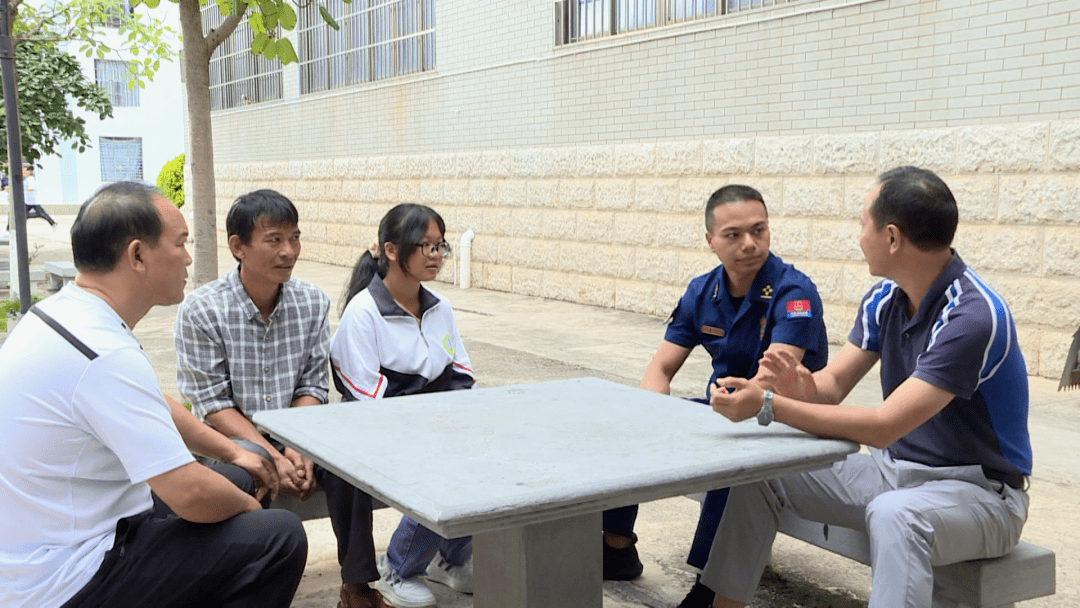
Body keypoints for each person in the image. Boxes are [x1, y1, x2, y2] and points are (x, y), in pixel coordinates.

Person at [703, 166, 1032, 608]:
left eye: (863, 224)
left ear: (892, 238)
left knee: (896, 517)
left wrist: (769, 405)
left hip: (980, 497)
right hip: (894, 473)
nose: (859, 237)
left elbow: (882, 427)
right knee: (762, 473)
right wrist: (796, 386)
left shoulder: (971, 317)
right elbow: (833, 385)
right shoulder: (885, 299)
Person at [0, 181, 307, 608]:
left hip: (58, 529)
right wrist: (250, 514)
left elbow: (152, 402)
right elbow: (189, 493)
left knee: (239, 470)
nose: (188, 257)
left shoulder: (67, 315)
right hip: (68, 574)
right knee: (277, 537)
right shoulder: (102, 354)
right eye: (180, 244)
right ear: (138, 255)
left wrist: (235, 453)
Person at [600, 184, 829, 607]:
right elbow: (661, 368)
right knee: (627, 425)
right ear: (711, 241)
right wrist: (654, 413)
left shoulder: (793, 293)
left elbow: (773, 378)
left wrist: (736, 405)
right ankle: (616, 547)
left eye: (759, 231)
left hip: (786, 418)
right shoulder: (703, 292)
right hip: (723, 409)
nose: (749, 244)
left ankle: (711, 583)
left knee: (731, 459)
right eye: (734, 235)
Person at [173, 190, 387, 608]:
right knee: (248, 472)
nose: (288, 251)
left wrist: (298, 446)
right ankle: (249, 591)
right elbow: (212, 404)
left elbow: (312, 386)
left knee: (348, 465)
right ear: (238, 246)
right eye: (274, 239)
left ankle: (357, 588)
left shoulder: (310, 302)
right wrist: (272, 453)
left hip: (297, 436)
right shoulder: (202, 310)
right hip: (231, 443)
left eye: (294, 237)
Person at [332, 203, 476, 608]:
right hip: (378, 430)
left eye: (439, 246)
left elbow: (461, 372)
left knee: (483, 454)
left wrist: (458, 421)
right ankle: (399, 568)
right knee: (445, 466)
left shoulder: (440, 308)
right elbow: (364, 395)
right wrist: (433, 428)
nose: (435, 255)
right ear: (391, 251)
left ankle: (451, 558)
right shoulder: (363, 313)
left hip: (432, 422)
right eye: (424, 246)